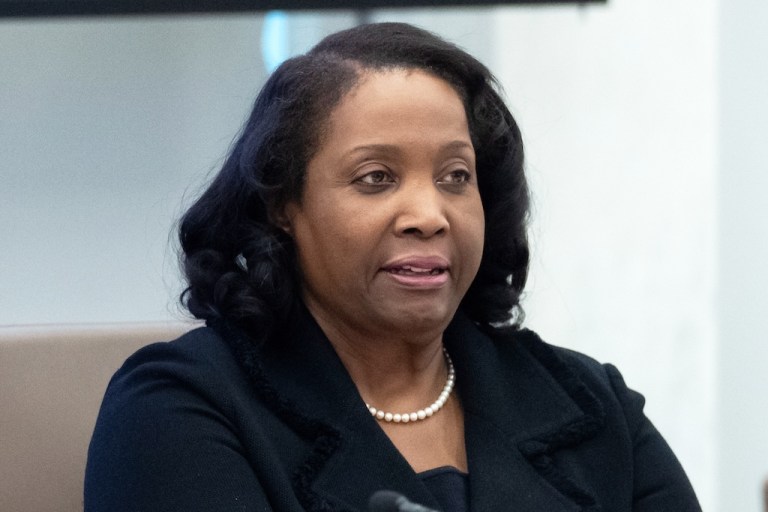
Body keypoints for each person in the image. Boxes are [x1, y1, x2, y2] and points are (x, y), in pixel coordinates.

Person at [85, 22, 701, 512]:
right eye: (376, 179)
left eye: (456, 177)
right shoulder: (179, 408)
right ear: (283, 206)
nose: (430, 215)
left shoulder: (593, 405)